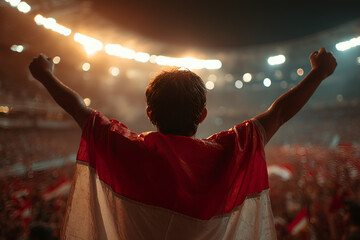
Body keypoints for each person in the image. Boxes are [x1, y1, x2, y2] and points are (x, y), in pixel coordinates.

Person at [29, 48, 337, 240]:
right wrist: (319, 72)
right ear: (203, 115)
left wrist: (46, 75)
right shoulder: (229, 152)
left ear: (150, 114)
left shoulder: (127, 149)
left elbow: (80, 111)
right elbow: (279, 113)